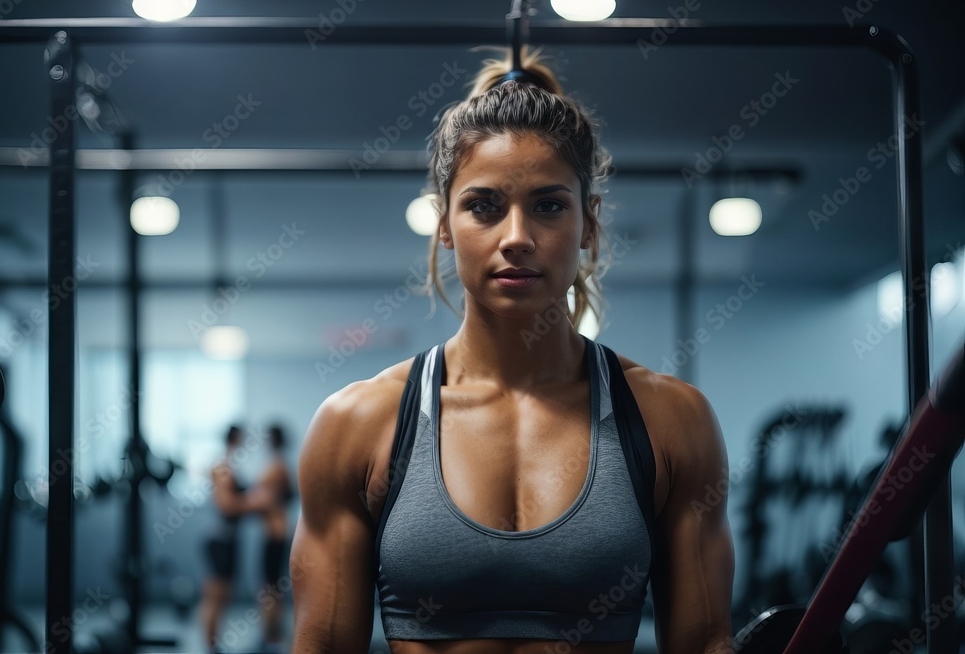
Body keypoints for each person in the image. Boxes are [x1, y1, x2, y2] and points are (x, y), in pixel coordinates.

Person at [290, 51, 735, 653]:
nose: (518, 237)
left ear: (589, 224)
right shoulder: (357, 424)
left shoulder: (672, 421)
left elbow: (706, 642)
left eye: (549, 205)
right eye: (484, 206)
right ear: (445, 224)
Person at [199, 425, 273, 654]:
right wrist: (254, 502)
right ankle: (210, 647)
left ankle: (213, 644)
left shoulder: (229, 464)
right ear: (236, 438)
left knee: (224, 594)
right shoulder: (223, 467)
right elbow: (226, 505)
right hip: (220, 539)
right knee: (215, 595)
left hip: (228, 540)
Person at [256, 424, 295, 651]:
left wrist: (235, 504)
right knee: (272, 586)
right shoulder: (282, 466)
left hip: (275, 535)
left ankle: (271, 637)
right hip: (277, 533)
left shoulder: (275, 467)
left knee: (271, 587)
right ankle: (272, 635)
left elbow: (263, 500)